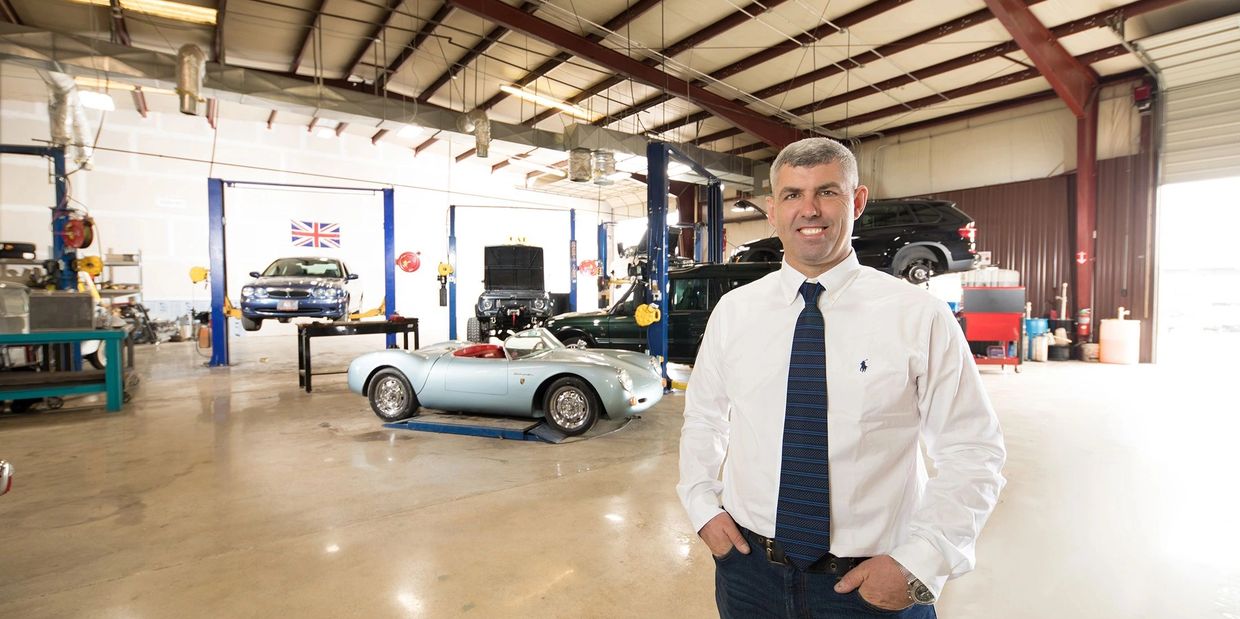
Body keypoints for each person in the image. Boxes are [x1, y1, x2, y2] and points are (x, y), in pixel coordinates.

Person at [677, 137, 1006, 617]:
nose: (809, 210)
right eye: (792, 195)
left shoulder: (919, 317)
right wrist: (702, 505)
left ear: (857, 201)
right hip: (750, 576)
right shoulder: (735, 312)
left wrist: (920, 565)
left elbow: (973, 451)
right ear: (773, 209)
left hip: (874, 583)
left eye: (826, 192)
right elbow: (705, 418)